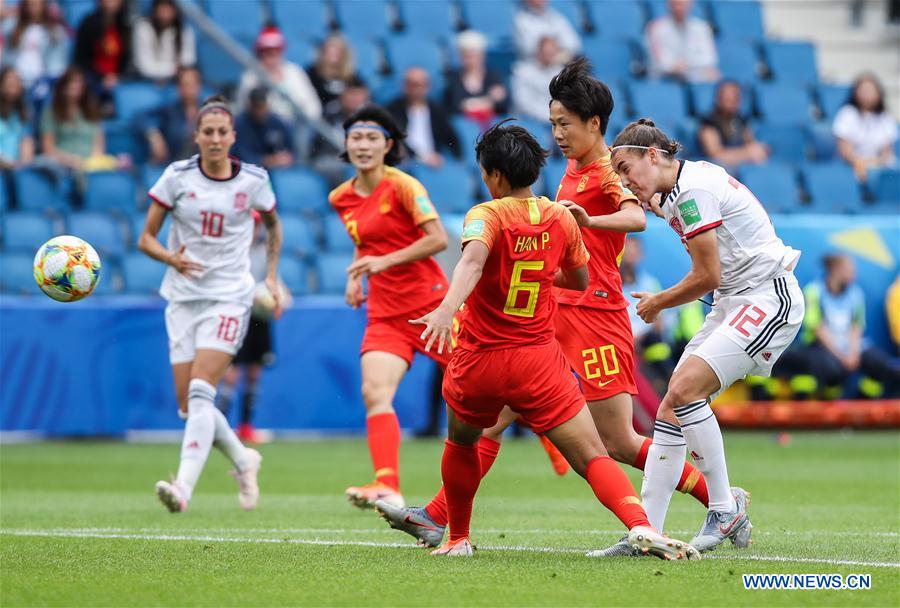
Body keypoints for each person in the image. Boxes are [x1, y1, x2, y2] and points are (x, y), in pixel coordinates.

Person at [375, 59, 713, 558]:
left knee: (617, 441)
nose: (556, 133)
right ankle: (441, 517)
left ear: (593, 124)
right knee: (493, 416)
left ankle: (720, 501)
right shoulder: (572, 170)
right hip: (554, 310)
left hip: (595, 313)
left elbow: (636, 219)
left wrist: (587, 223)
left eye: (564, 123)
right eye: (552, 123)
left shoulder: (607, 169)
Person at [610, 118, 806, 552]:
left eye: (626, 168)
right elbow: (665, 211)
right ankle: (647, 532)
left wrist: (659, 301)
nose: (625, 181)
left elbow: (707, 274)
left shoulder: (692, 192)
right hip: (734, 301)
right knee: (670, 407)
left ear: (653, 156)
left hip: (767, 297)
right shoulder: (684, 184)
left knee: (684, 391)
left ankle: (724, 506)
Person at [138, 94, 283, 513]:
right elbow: (145, 238)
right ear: (197, 136)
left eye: (223, 132)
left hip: (229, 296)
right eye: (208, 132)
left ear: (233, 136)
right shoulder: (176, 177)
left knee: (203, 392)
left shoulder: (254, 180)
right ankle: (243, 458)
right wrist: (171, 258)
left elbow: (274, 227)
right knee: (189, 407)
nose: (216, 138)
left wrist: (271, 276)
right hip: (182, 299)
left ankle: (182, 487)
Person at [328, 105, 459, 510]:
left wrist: (382, 262)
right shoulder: (341, 197)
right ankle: (387, 483)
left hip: (430, 306)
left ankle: (549, 436)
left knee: (487, 386)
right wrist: (356, 275)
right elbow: (364, 241)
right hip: (385, 311)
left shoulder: (405, 186)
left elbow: (438, 239)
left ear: (388, 145)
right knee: (374, 391)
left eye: (371, 138)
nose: (363, 145)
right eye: (355, 138)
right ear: (346, 145)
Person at [792, 254, 899, 398]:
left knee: (880, 365)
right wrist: (842, 357)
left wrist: (853, 354)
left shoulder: (856, 293)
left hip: (850, 347)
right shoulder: (814, 291)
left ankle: (863, 408)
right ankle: (829, 409)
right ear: (835, 270)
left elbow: (856, 327)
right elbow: (817, 329)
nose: (854, 273)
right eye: (849, 269)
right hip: (821, 346)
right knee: (831, 369)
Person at [236, 25, 322, 123]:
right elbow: (242, 109)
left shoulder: (295, 73)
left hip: (295, 130)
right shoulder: (251, 78)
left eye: (275, 52)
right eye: (267, 53)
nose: (271, 58)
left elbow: (314, 108)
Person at [386, 67, 461, 168]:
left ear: (428, 86)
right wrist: (421, 157)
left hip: (434, 163)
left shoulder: (437, 110)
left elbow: (451, 138)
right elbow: (397, 139)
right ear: (405, 86)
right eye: (413, 85)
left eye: (422, 85)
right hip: (407, 164)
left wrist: (456, 161)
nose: (417, 90)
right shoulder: (392, 110)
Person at [833, 73, 898, 181]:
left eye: (871, 91)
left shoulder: (886, 118)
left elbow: (887, 151)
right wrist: (861, 163)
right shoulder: (847, 114)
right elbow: (845, 149)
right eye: (863, 91)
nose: (867, 95)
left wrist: (876, 164)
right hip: (852, 165)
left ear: (879, 93)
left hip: (878, 165)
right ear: (855, 93)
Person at [72, 0, 131, 113]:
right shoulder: (88, 24)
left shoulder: (125, 26)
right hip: (94, 77)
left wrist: (117, 76)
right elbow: (81, 59)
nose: (111, 2)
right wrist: (101, 77)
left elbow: (127, 60)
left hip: (118, 78)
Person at [39, 67, 103, 171]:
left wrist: (90, 163)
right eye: (71, 82)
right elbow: (48, 148)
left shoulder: (92, 111)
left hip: (90, 166)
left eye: (79, 82)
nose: (75, 85)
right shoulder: (51, 113)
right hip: (62, 166)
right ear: (62, 87)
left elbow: (98, 145)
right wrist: (70, 161)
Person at [698, 81, 768, 169]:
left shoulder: (741, 120)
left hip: (738, 167)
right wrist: (746, 153)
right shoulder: (708, 123)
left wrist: (759, 149)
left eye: (735, 98)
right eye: (727, 98)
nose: (731, 101)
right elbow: (715, 155)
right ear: (718, 99)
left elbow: (751, 144)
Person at [0, 0, 70, 89]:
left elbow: (57, 63)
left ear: (43, 6)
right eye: (30, 4)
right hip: (16, 81)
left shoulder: (55, 31)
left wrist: (48, 80)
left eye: (36, 4)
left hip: (42, 82)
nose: (33, 8)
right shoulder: (11, 27)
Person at [444, 30, 508, 126]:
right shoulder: (454, 77)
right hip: (464, 126)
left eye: (472, 55)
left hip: (493, 127)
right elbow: (455, 104)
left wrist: (470, 104)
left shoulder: (493, 76)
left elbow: (502, 103)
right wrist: (487, 101)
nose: (468, 60)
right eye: (464, 56)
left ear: (481, 56)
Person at [141, 66, 202, 165]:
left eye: (193, 84)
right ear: (179, 88)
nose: (190, 89)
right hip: (173, 165)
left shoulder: (208, 111)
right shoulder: (170, 109)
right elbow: (141, 116)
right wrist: (154, 136)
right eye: (186, 84)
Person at [645, 0, 719, 82]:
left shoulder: (702, 27)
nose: (679, 7)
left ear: (691, 4)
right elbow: (660, 62)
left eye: (682, 4)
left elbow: (709, 58)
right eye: (676, 4)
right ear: (668, 4)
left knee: (713, 75)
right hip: (664, 77)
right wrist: (674, 67)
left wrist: (686, 64)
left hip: (694, 75)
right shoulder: (656, 28)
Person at [132, 0, 196, 83]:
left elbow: (188, 61)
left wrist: (174, 72)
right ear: (155, 8)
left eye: (168, 6)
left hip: (175, 82)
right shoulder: (143, 27)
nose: (164, 11)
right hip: (145, 81)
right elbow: (145, 67)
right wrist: (173, 70)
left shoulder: (184, 30)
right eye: (162, 5)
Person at [233, 86, 296, 169]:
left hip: (277, 170)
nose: (258, 111)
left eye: (261, 106)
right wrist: (270, 160)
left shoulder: (278, 123)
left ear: (267, 105)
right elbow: (243, 157)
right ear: (250, 105)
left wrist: (285, 158)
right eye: (256, 106)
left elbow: (292, 152)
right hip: (247, 171)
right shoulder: (239, 124)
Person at [306, 33, 362, 124]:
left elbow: (360, 93)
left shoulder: (351, 76)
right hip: (320, 119)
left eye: (336, 51)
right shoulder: (313, 73)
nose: (332, 55)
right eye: (329, 51)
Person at [511, 36, 564, 122]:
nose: (550, 56)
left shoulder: (560, 72)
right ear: (539, 52)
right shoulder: (522, 71)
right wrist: (550, 116)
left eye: (552, 53)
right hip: (527, 122)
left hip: (554, 120)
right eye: (547, 52)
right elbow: (524, 104)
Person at [513, 0, 581, 61]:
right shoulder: (520, 20)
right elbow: (529, 48)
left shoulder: (556, 16)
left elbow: (574, 44)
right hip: (533, 69)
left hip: (558, 66)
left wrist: (552, 47)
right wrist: (551, 46)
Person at [0, 67, 35, 170]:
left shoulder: (24, 113)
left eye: (16, 82)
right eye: (9, 83)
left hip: (16, 170)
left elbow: (26, 143)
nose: (12, 87)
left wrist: (22, 164)